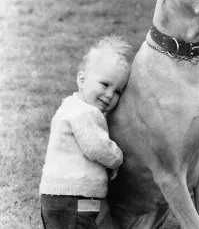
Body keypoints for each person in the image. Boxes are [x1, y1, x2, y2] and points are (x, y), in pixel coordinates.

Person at [39, 36, 131, 229]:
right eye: (105, 84)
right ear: (82, 79)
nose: (109, 95)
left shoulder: (69, 106)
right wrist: (117, 158)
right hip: (75, 197)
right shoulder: (85, 112)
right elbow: (96, 147)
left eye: (118, 92)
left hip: (59, 196)